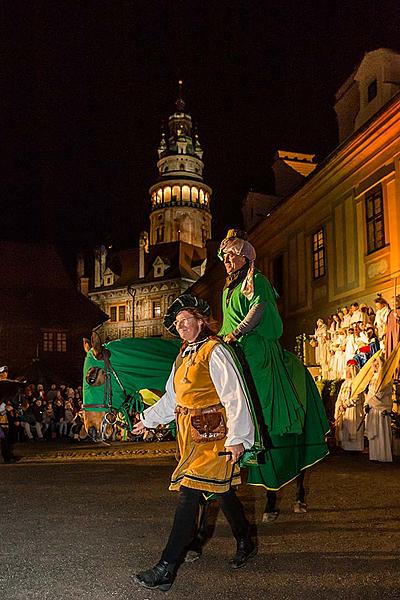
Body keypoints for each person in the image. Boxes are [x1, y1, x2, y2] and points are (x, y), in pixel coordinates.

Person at [132, 294, 256, 591]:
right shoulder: (183, 356)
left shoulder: (216, 351)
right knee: (222, 492)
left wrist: (238, 438)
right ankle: (246, 540)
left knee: (189, 493)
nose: (181, 326)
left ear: (201, 321)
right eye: (177, 323)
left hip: (216, 435)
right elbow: (173, 399)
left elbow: (234, 395)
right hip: (190, 436)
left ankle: (166, 567)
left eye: (186, 320)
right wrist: (147, 420)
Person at [217, 229, 329, 518]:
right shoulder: (227, 289)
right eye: (225, 255)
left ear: (245, 257)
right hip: (234, 345)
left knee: (262, 400)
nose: (227, 260)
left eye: (232, 255)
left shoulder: (258, 281)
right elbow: (225, 323)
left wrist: (237, 332)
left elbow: (259, 309)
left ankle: (273, 430)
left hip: (258, 348)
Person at [364, 355, 393, 462]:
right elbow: (369, 394)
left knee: (381, 432)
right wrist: (366, 404)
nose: (375, 364)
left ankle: (383, 456)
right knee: (374, 432)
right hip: (373, 409)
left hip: (381, 409)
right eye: (374, 362)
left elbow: (382, 393)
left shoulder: (386, 378)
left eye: (377, 362)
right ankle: (374, 456)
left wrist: (370, 402)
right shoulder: (372, 378)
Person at [334, 360, 365, 451]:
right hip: (344, 410)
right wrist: (339, 405)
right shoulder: (344, 383)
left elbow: (357, 397)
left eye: (349, 371)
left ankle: (355, 448)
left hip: (353, 409)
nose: (347, 373)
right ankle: (346, 448)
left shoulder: (357, 383)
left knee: (353, 428)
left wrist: (346, 404)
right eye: (346, 371)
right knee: (345, 429)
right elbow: (339, 397)